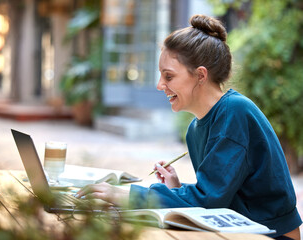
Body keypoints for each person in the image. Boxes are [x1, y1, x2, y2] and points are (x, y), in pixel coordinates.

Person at [76, 14, 302, 239]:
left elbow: (208, 199)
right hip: (235, 231)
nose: (159, 85)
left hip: (272, 236)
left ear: (200, 75)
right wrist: (176, 188)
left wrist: (126, 195)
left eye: (168, 76)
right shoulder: (195, 130)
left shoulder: (235, 111)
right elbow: (217, 194)